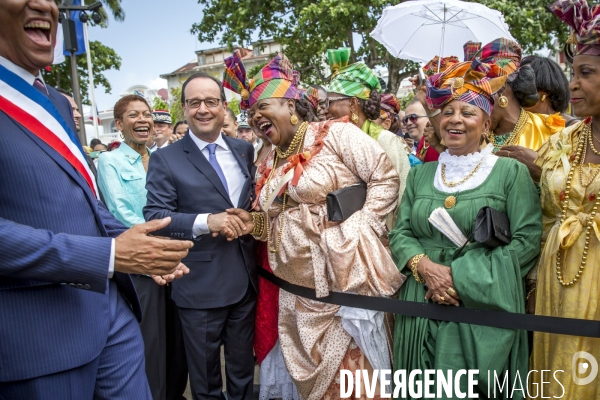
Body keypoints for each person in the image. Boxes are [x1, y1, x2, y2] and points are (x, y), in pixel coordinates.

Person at [0, 1, 193, 398]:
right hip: (38, 341)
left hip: (113, 321)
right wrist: (109, 256)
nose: (45, 5)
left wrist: (142, 248)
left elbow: (87, 205)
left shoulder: (52, 100)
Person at [224, 51, 404, 400]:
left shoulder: (335, 134)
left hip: (344, 286)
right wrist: (253, 224)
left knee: (354, 384)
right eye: (251, 112)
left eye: (264, 106)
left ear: (291, 105)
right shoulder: (268, 162)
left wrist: (356, 231)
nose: (256, 115)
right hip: (296, 295)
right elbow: (277, 225)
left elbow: (385, 178)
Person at [390, 58, 542, 399]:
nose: (455, 119)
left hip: (480, 304)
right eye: (447, 111)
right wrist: (425, 268)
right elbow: (401, 233)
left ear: (487, 123)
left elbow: (527, 240)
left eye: (467, 112)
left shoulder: (509, 173)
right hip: (422, 296)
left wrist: (459, 277)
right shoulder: (420, 175)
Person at [144, 71, 257, 400]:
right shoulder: (165, 158)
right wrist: (208, 221)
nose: (203, 109)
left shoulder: (243, 150)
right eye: (194, 103)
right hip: (199, 287)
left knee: (242, 375)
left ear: (224, 107)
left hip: (246, 282)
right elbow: (155, 216)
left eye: (211, 101)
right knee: (206, 383)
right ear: (184, 109)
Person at [529, 1, 600, 397]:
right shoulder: (562, 141)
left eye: (585, 74)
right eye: (573, 74)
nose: (572, 85)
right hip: (557, 284)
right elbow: (543, 216)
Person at [98, 95, 189, 400]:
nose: (143, 120)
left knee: (178, 342)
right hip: (141, 264)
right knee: (151, 343)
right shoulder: (109, 161)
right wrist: (162, 247)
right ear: (120, 125)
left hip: (177, 261)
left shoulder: (163, 158)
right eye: (133, 115)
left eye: (147, 114)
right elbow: (119, 212)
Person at [325, 47, 410, 228]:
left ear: (353, 103)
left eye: (330, 102)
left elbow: (404, 199)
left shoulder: (386, 141)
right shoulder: (330, 142)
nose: (325, 110)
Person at [520, 54, 577, 126]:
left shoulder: (574, 129)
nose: (518, 88)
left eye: (524, 82)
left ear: (545, 91)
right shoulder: (515, 127)